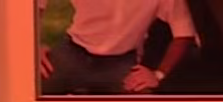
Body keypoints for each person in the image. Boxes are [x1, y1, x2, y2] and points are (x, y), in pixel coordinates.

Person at [38, 0, 197, 95]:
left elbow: (184, 33)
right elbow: (37, 5)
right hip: (72, 51)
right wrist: (33, 45)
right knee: (30, 88)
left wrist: (158, 74)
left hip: (121, 62)